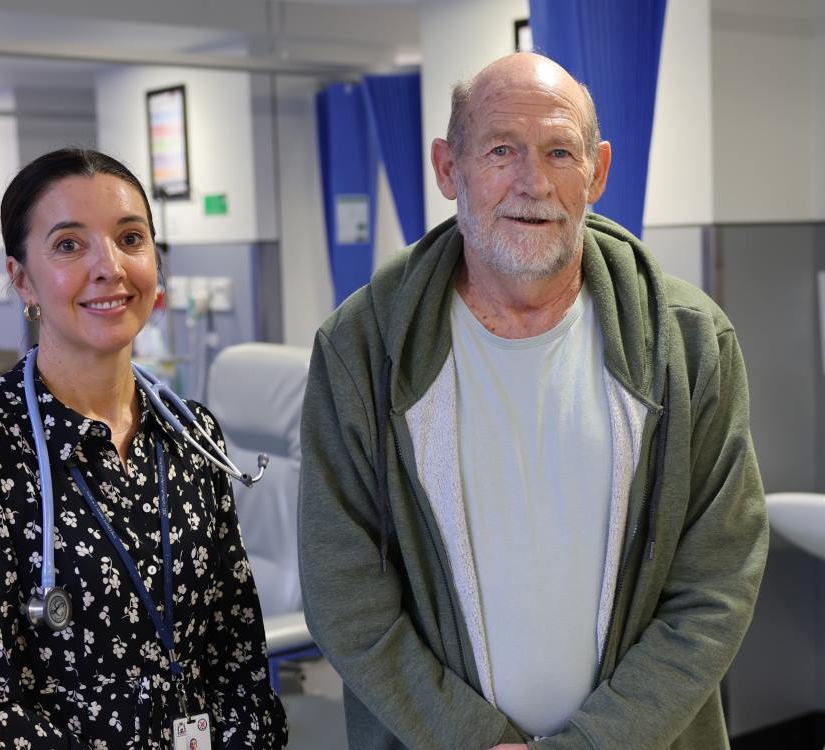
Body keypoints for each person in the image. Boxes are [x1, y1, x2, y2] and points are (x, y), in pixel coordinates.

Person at [297, 52, 767, 749]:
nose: (533, 182)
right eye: (500, 151)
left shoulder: (688, 344)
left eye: (559, 152)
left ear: (598, 172)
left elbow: (717, 584)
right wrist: (469, 736)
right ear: (447, 169)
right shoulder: (361, 351)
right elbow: (345, 597)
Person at [0, 148, 287, 749]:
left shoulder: (191, 436)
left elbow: (236, 650)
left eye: (130, 238)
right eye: (69, 245)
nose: (109, 267)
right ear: (21, 277)